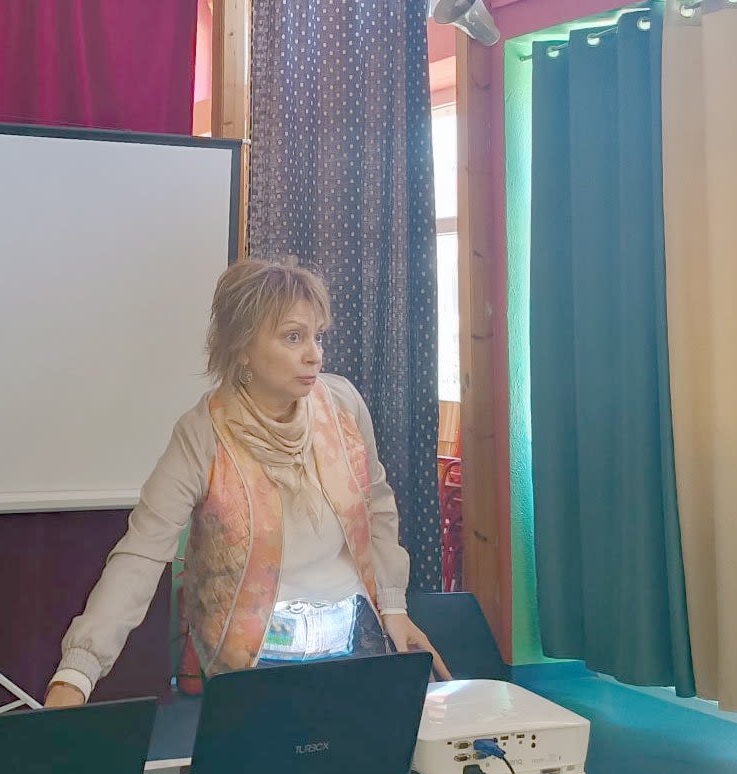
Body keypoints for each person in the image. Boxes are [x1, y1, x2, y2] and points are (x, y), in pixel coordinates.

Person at [44, 258, 449, 708]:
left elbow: (378, 506)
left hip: (355, 638)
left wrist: (394, 606)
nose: (314, 354)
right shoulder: (202, 435)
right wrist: (77, 673)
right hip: (253, 661)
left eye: (317, 336)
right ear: (242, 348)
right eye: (293, 337)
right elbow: (141, 553)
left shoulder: (343, 406)